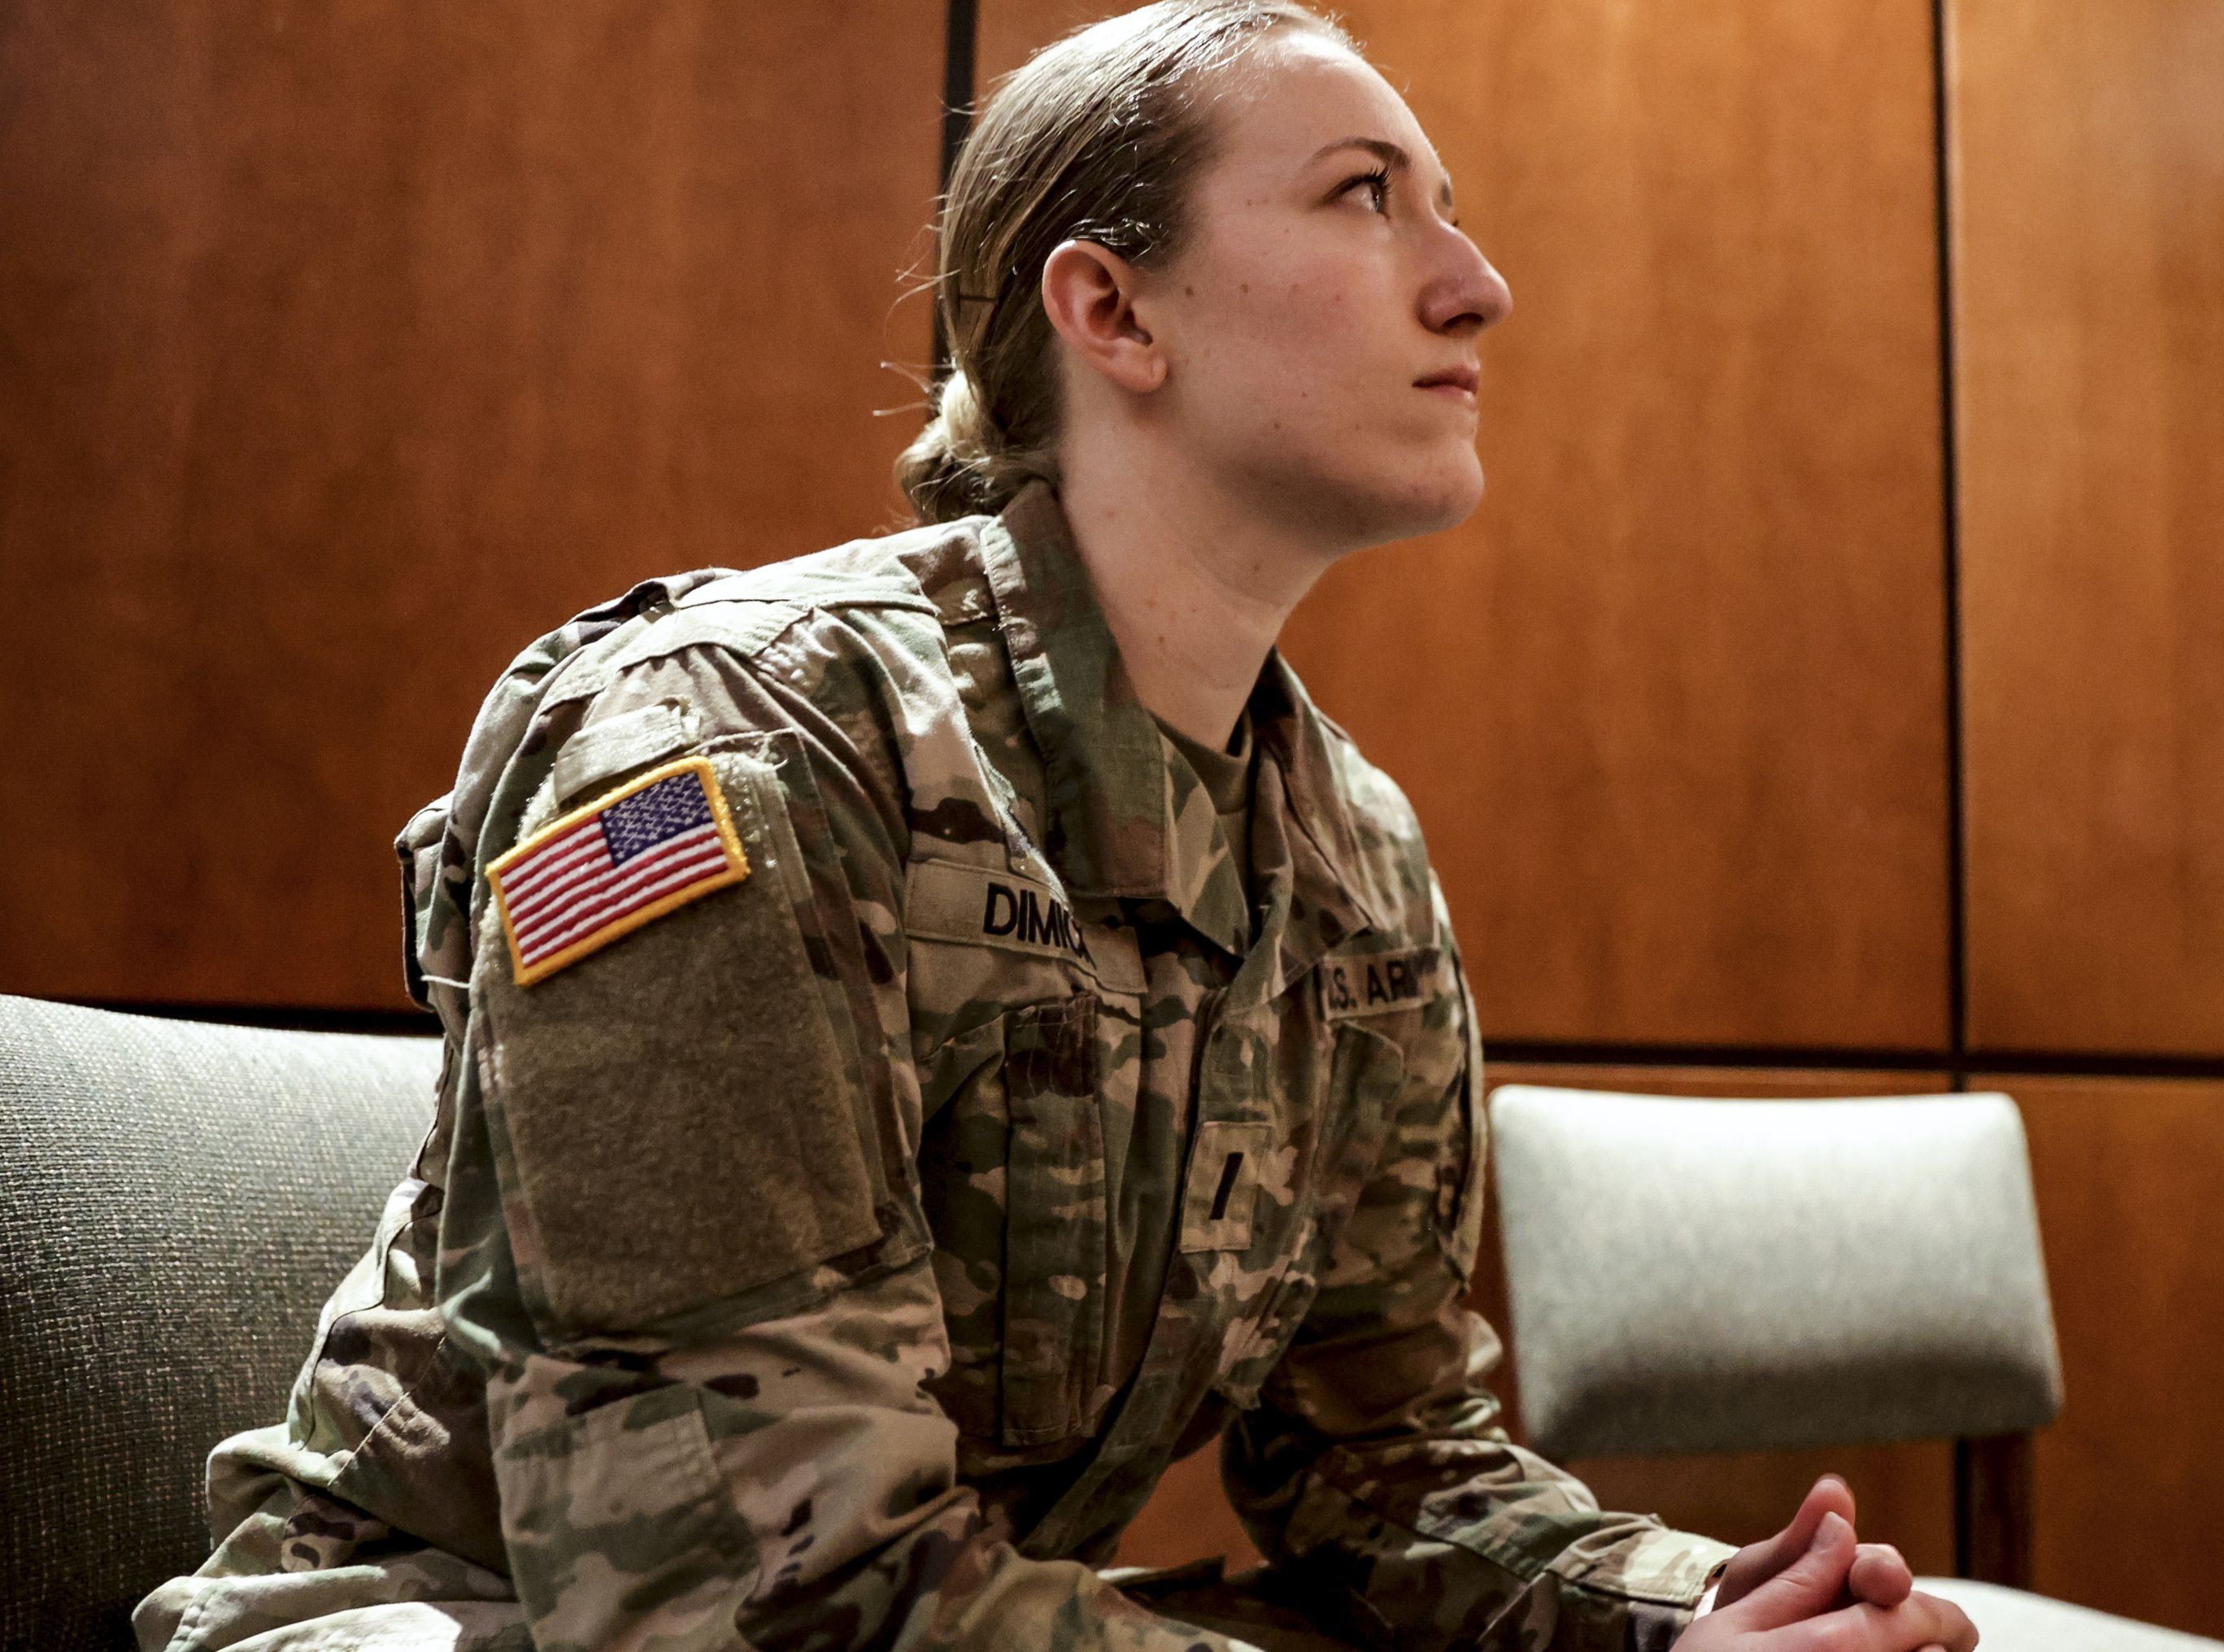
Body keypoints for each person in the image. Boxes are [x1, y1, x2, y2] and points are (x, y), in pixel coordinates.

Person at [135, 4, 1980, 1650]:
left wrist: (1693, 1614)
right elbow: (755, 1591)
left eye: (1449, 209)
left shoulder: (1349, 853)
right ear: (1111, 312)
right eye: (1365, 196)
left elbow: (1386, 1466)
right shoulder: (742, 738)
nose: (1477, 283)